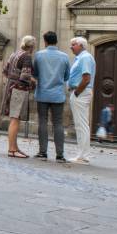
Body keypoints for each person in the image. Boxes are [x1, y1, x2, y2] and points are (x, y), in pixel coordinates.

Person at [32, 31, 70, 162]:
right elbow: (66, 76)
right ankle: (60, 154)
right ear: (56, 41)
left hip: (42, 93)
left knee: (42, 122)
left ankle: (43, 152)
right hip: (58, 95)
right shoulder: (65, 56)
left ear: (45, 41)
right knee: (58, 123)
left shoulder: (38, 55)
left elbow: (35, 73)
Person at [2, 35, 36, 158]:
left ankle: (15, 147)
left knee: (14, 118)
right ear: (31, 46)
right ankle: (12, 149)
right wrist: (34, 82)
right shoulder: (26, 56)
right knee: (15, 119)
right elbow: (25, 76)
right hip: (18, 89)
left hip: (10, 87)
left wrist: (12, 79)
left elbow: (5, 71)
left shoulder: (14, 54)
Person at [68, 36, 96, 164]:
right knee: (80, 124)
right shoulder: (83, 57)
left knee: (81, 125)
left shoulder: (84, 58)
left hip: (81, 92)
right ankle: (82, 154)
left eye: (73, 44)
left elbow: (86, 78)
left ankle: (83, 156)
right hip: (81, 92)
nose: (71, 47)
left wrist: (77, 92)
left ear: (81, 45)